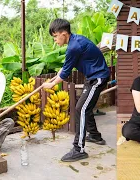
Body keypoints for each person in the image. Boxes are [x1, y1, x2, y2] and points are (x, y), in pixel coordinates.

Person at [43, 18, 110, 162]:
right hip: (92, 77)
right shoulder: (75, 42)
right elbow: (65, 67)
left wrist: (51, 84)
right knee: (85, 106)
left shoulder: (74, 46)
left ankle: (78, 149)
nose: (55, 40)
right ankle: (94, 136)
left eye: (55, 36)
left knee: (81, 108)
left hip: (97, 78)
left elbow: (65, 73)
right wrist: (54, 79)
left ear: (64, 33)